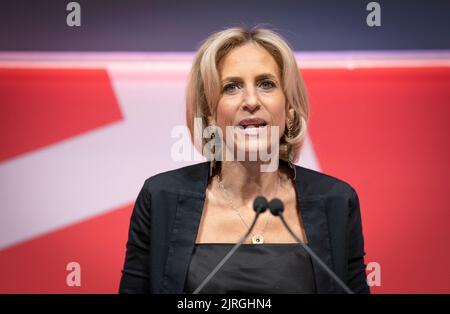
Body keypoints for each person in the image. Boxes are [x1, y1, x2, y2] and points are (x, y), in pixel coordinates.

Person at [119, 26, 370, 294]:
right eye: (231, 87)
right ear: (210, 113)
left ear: (289, 108)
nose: (251, 100)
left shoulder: (336, 201)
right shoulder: (160, 199)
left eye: (266, 84)